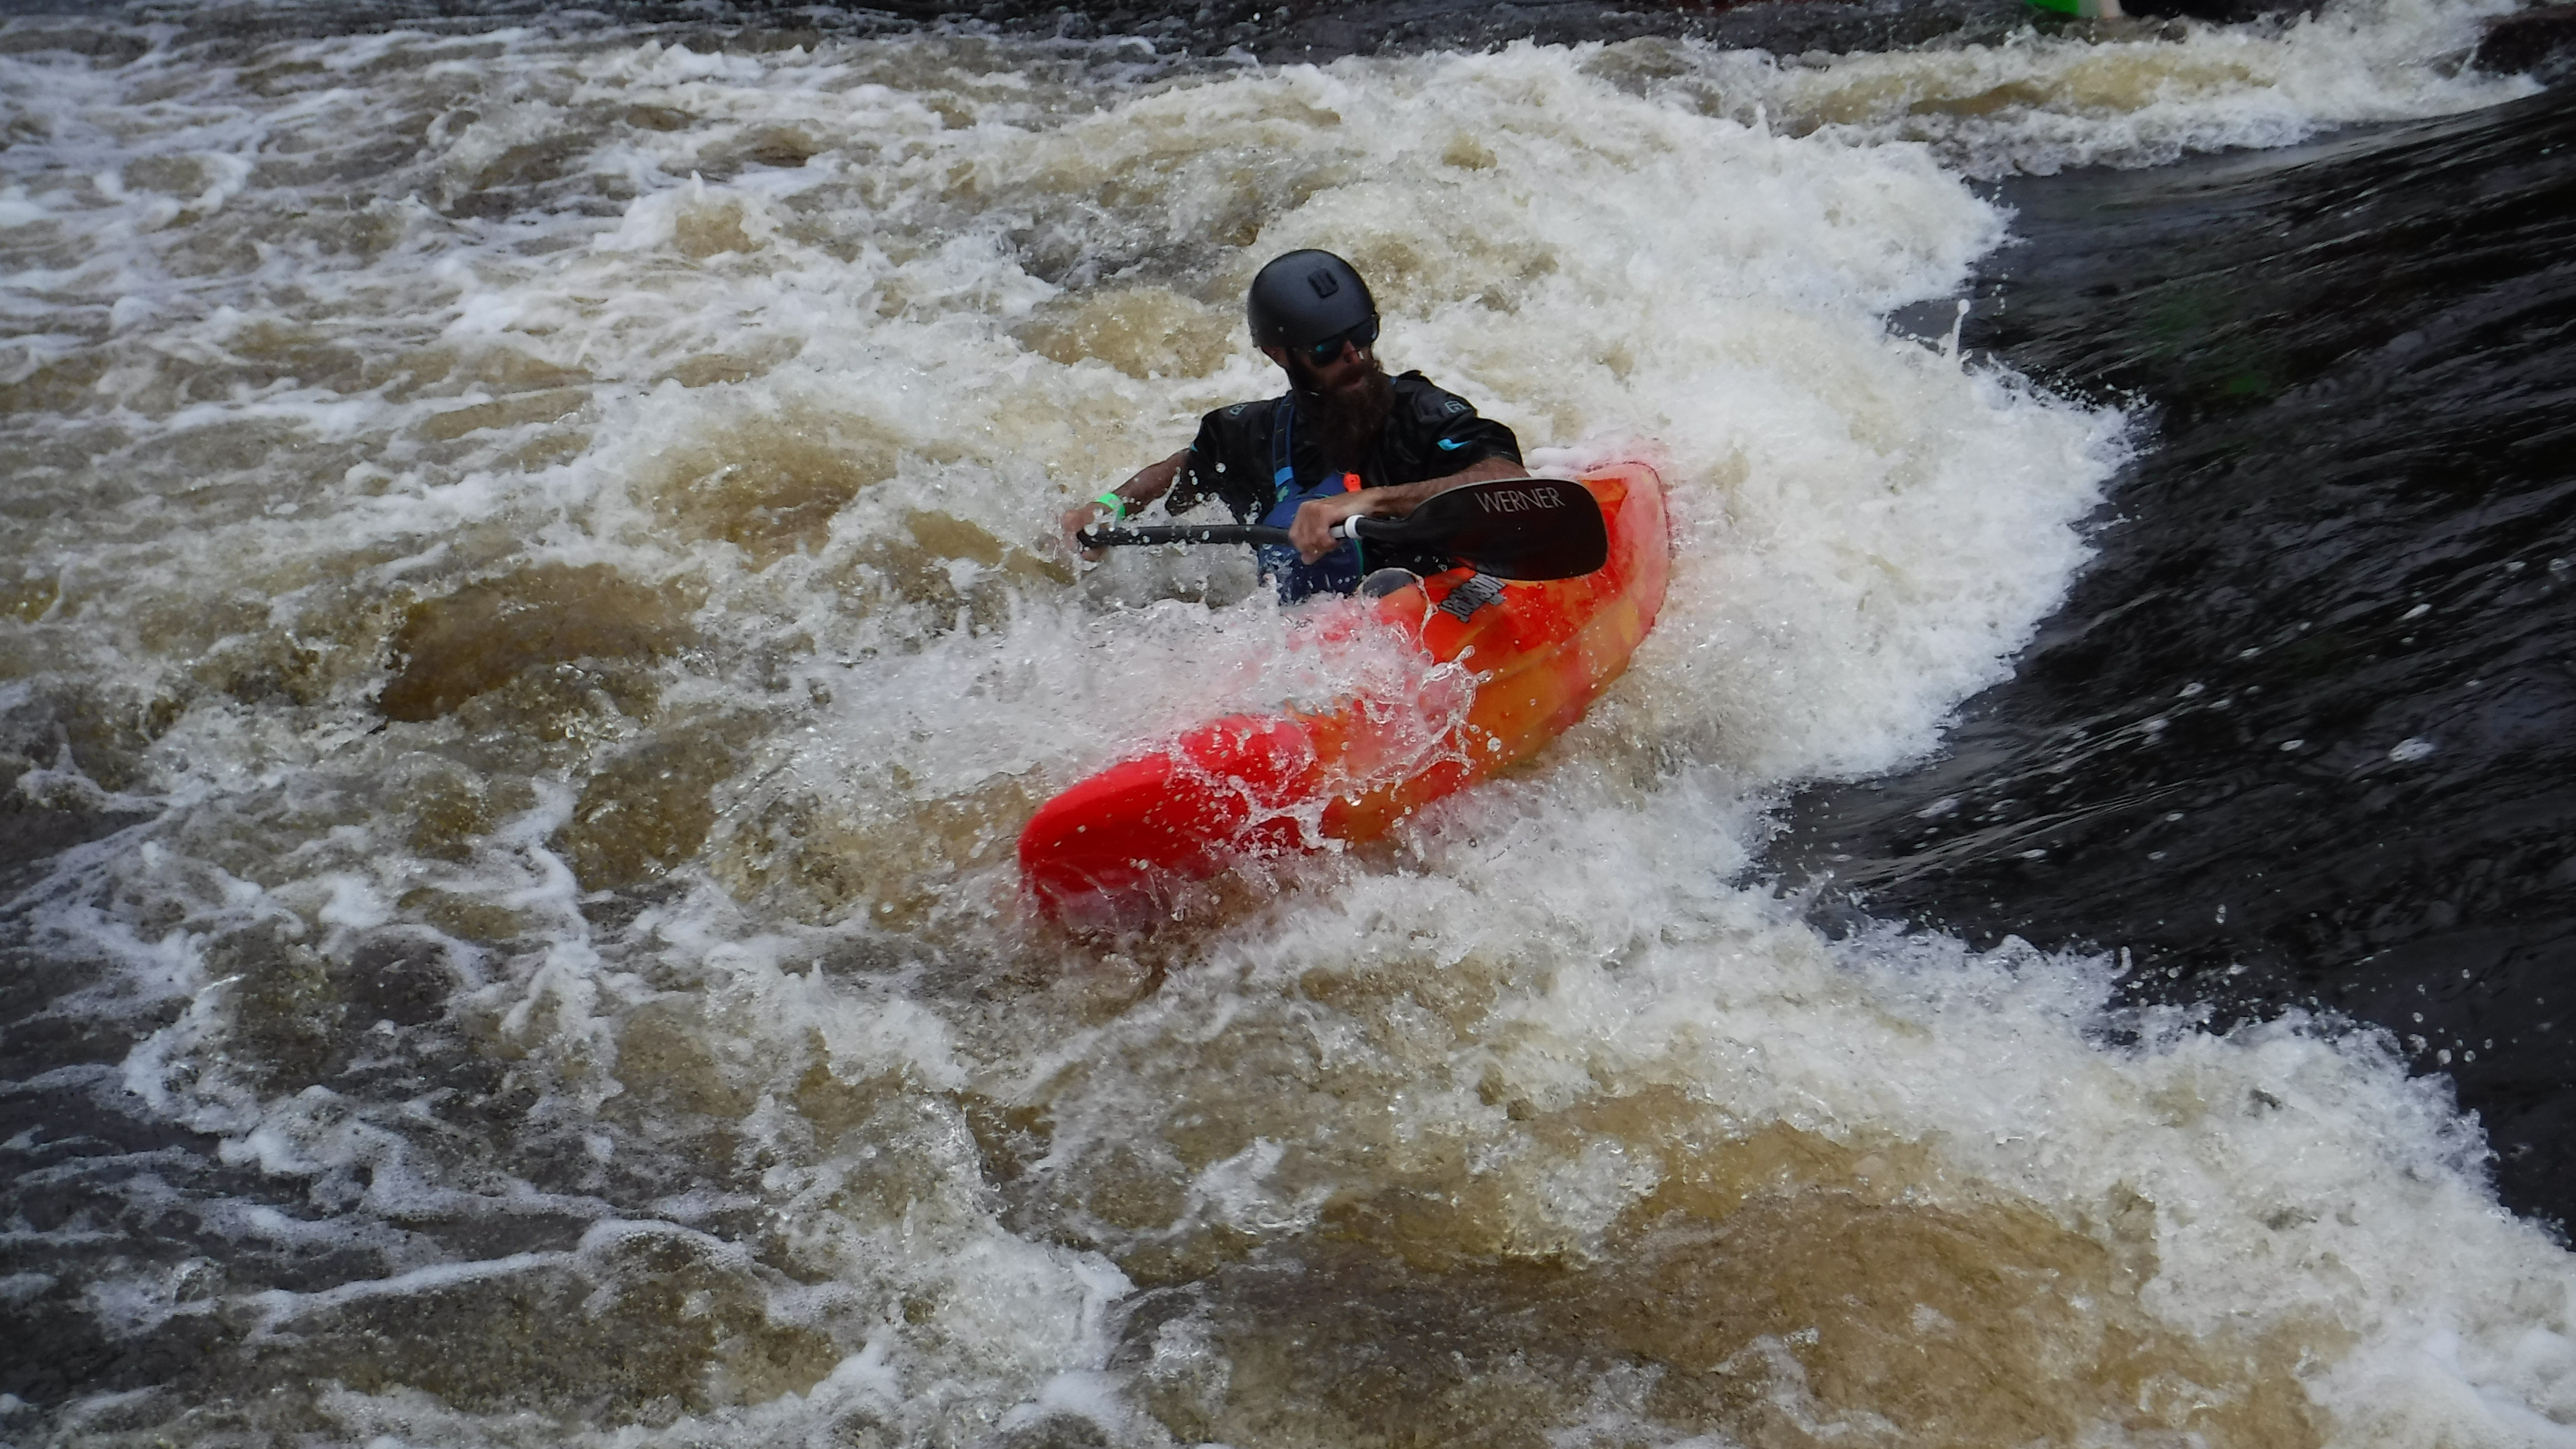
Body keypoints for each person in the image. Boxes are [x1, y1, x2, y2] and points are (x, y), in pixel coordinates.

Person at [1060, 249, 1527, 601]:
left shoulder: (1423, 414)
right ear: (1279, 355)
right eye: (1327, 350)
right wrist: (1107, 508)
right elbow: (1185, 470)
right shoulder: (1249, 435)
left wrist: (1370, 500)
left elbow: (1509, 480)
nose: (1354, 357)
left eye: (1362, 335)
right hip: (1315, 649)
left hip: (1433, 611)